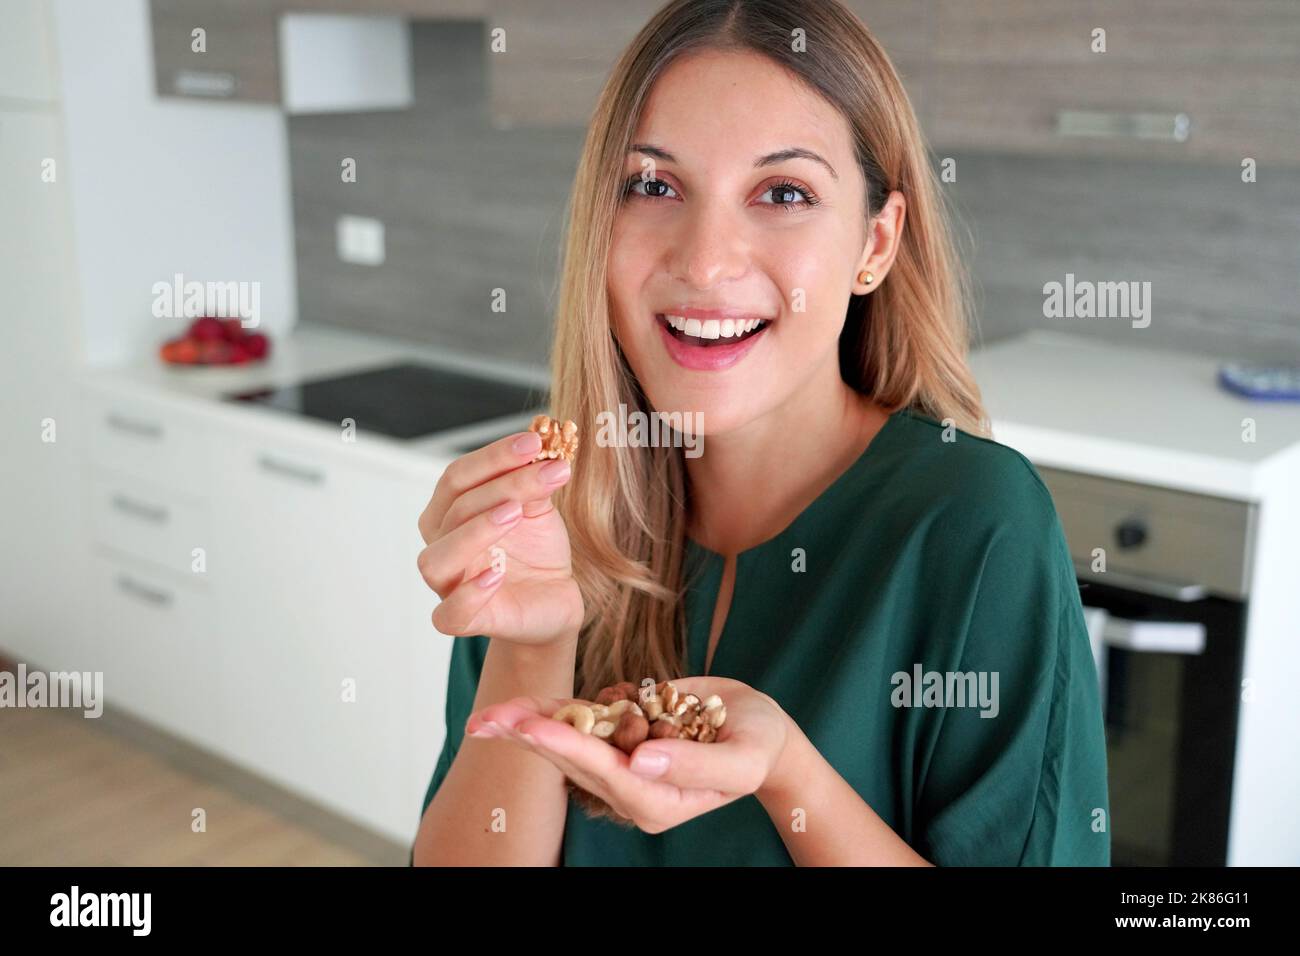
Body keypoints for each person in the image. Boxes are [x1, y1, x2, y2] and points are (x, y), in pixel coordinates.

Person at [411, 0, 1109, 866]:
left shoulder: (975, 522)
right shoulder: (552, 511)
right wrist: (534, 649)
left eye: (784, 193)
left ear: (876, 243)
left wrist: (790, 776)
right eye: (654, 186)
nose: (706, 262)